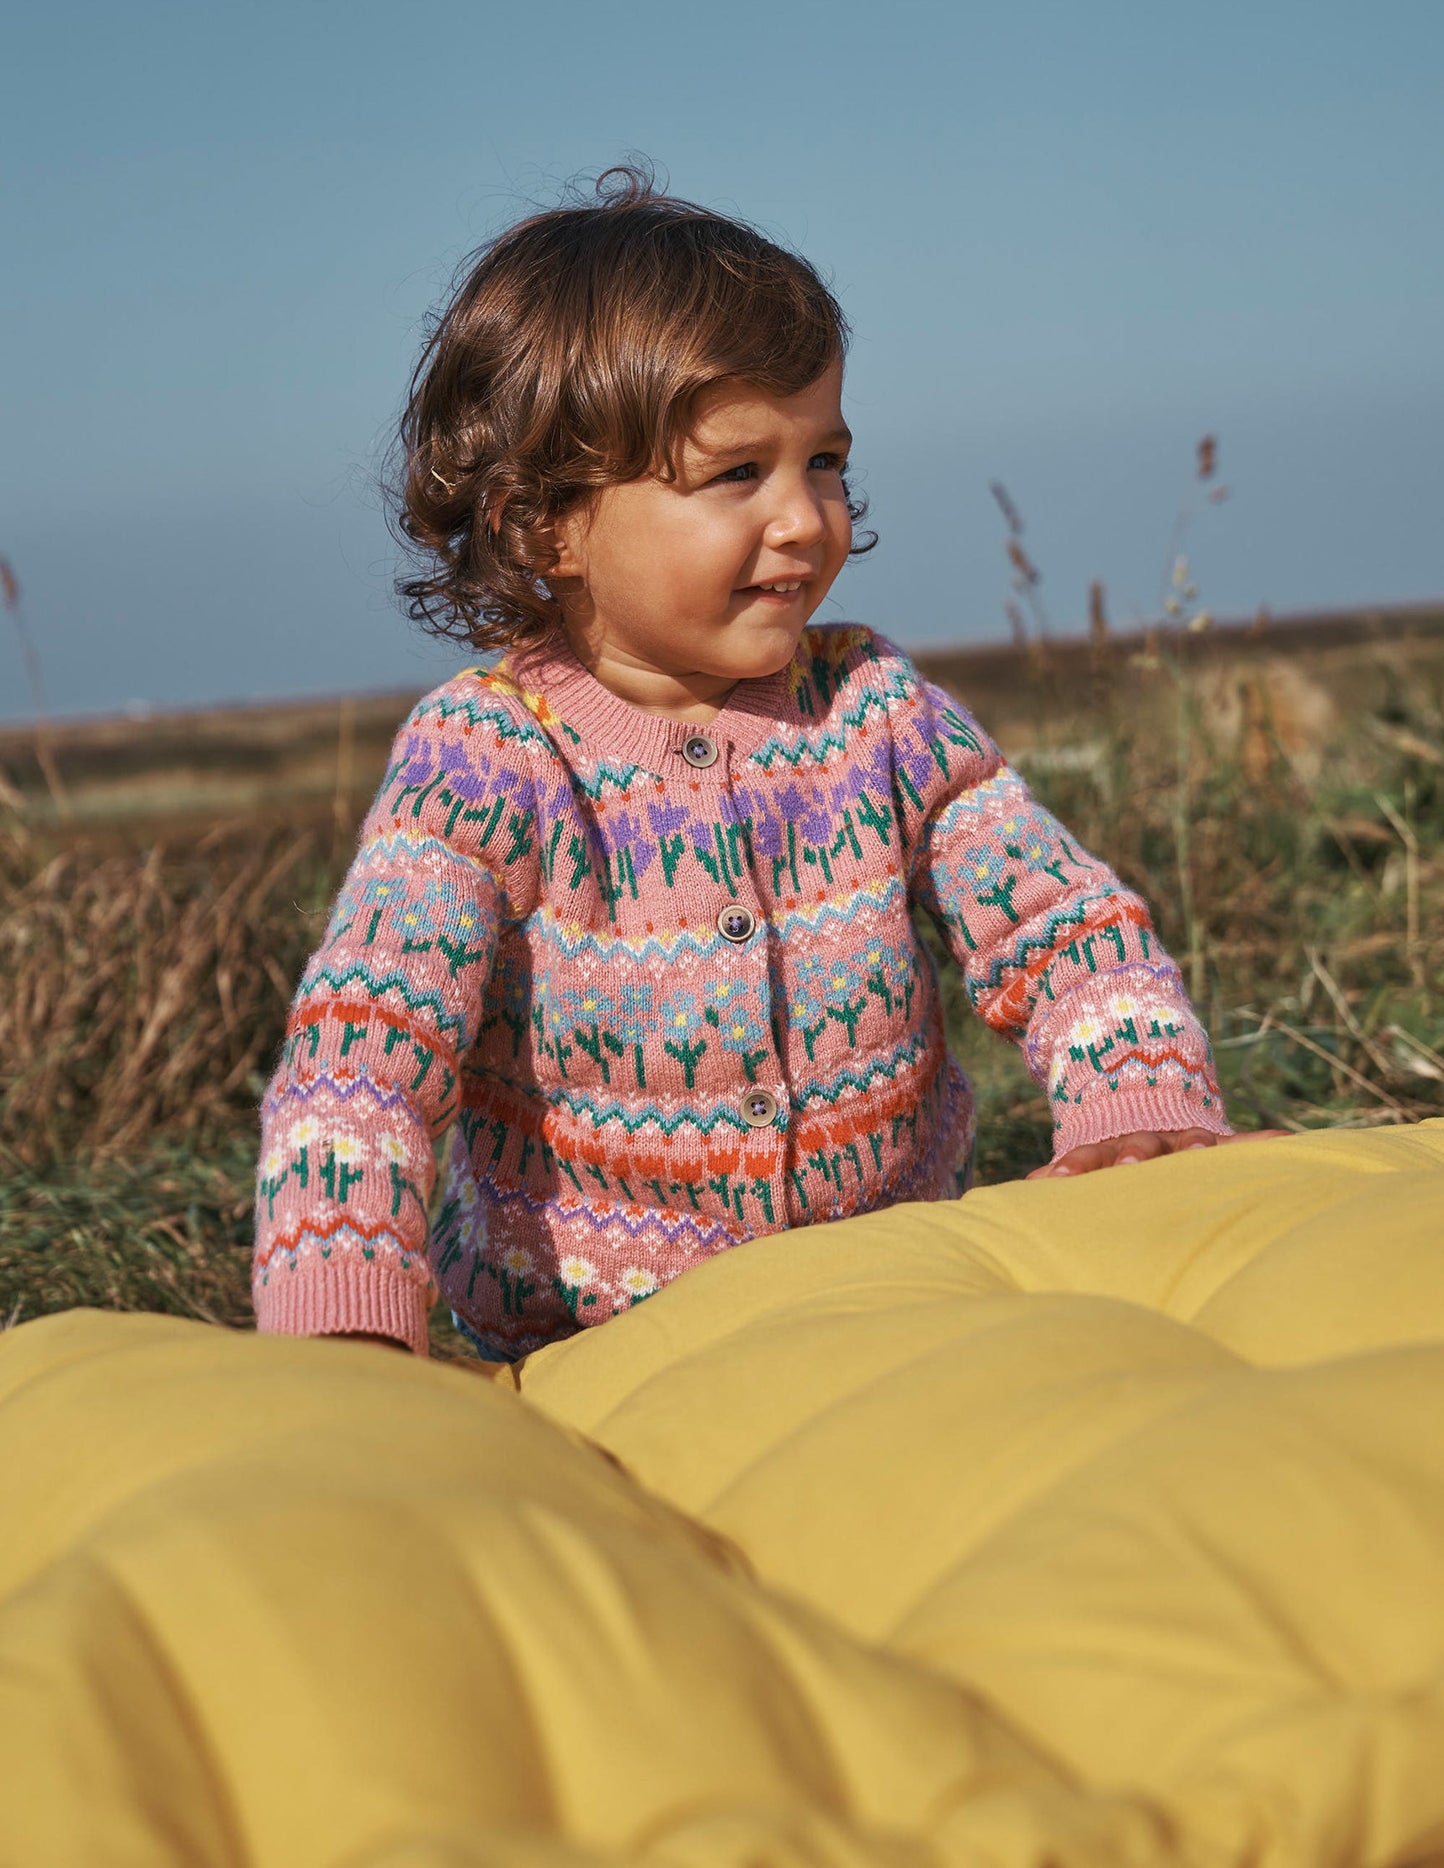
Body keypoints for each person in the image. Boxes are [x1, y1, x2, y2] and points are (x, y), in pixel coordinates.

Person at [253, 166, 1246, 1360]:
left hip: (898, 1279)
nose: (803, 517)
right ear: (542, 525)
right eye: (737, 473)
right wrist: (342, 1318)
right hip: (592, 1337)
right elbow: (363, 1052)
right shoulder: (486, 762)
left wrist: (1133, 1104)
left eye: (821, 460)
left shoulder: (871, 708)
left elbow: (1061, 924)